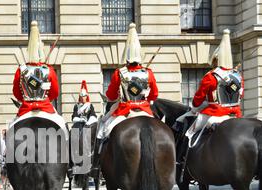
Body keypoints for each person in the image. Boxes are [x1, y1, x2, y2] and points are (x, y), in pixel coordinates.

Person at [92, 23, 159, 172]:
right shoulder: (148, 73)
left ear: (126, 56)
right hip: (145, 110)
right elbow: (154, 94)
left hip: (124, 111)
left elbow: (110, 95)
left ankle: (96, 165)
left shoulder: (119, 73)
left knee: (102, 129)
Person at [175, 29, 244, 165]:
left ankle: (182, 161)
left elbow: (198, 99)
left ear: (216, 60)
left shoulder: (211, 76)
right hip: (235, 114)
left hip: (215, 114)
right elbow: (240, 95)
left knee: (189, 133)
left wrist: (196, 106)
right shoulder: (238, 76)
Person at [12, 21, 60, 117]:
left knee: (11, 128)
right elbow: (55, 92)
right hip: (46, 107)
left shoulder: (21, 70)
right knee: (62, 125)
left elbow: (16, 92)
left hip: (25, 108)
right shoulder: (48, 70)